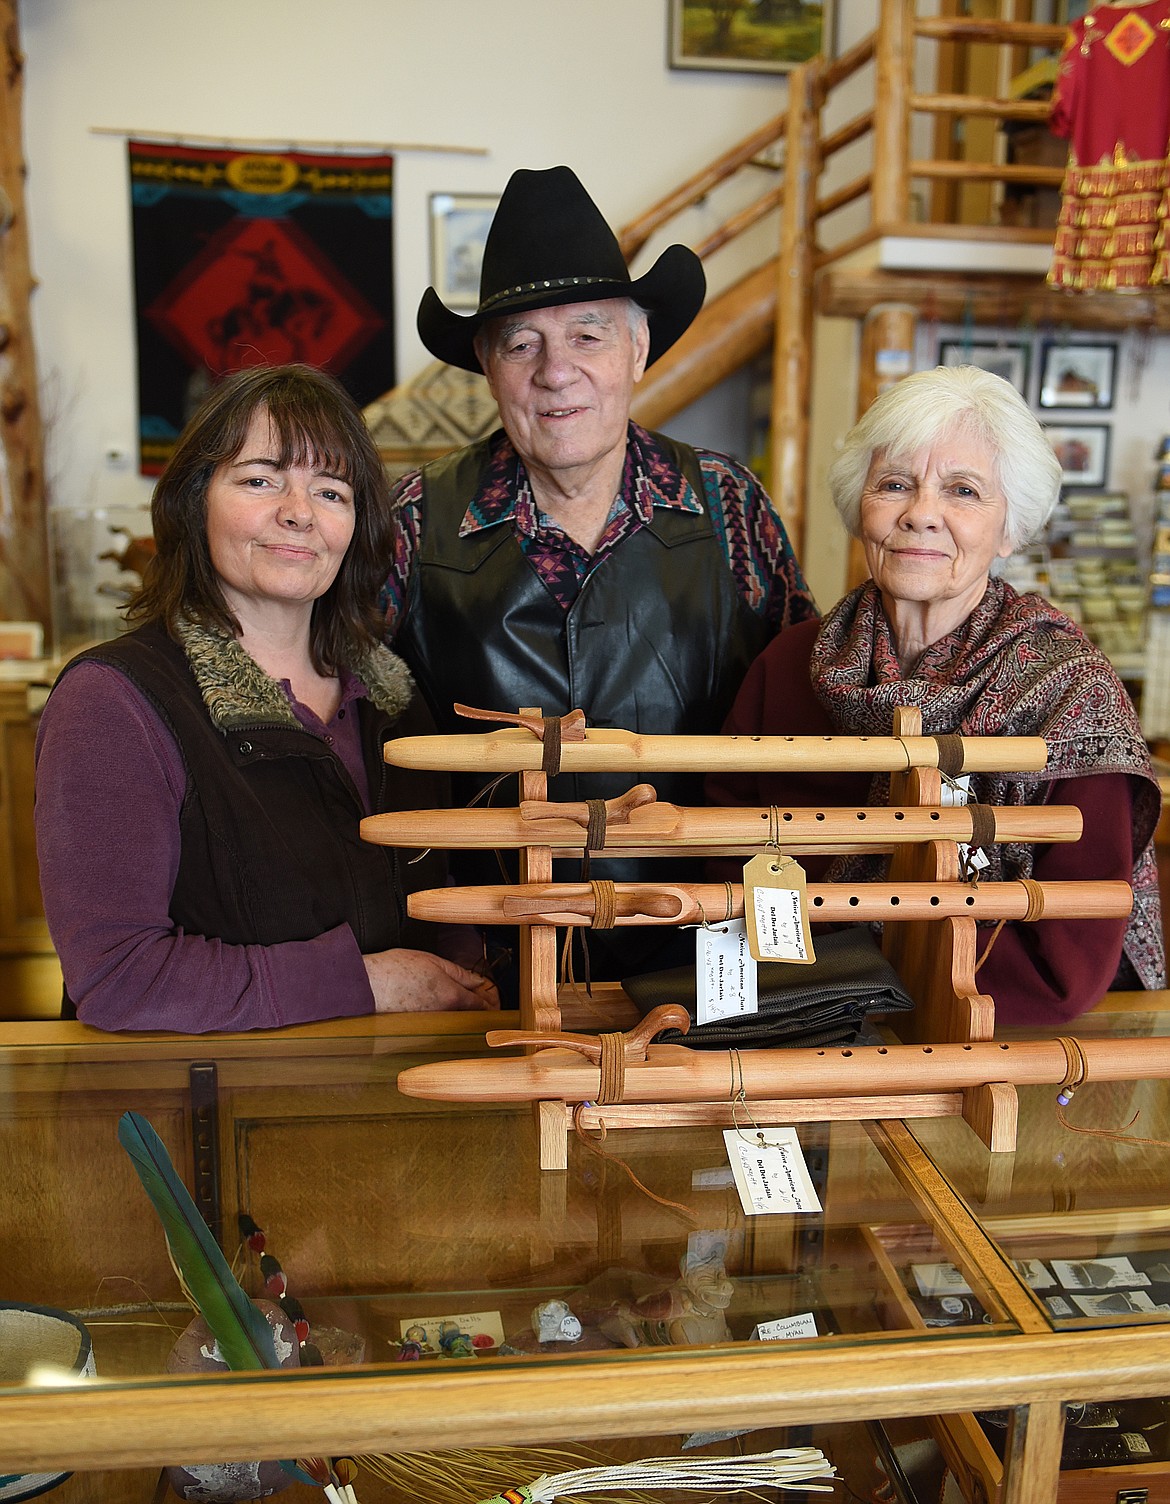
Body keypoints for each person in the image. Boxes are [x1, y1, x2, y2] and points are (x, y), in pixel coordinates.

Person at [382, 165, 817, 977]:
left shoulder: (726, 503)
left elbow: (802, 710)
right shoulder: (414, 518)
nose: (556, 371)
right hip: (488, 956)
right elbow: (356, 731)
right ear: (485, 364)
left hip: (705, 950)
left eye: (588, 335)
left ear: (638, 348)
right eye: (522, 344)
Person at [35, 364, 497, 1032]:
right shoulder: (112, 703)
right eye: (260, 479)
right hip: (214, 1111)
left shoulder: (393, 696)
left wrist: (467, 976)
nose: (299, 512)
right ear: (195, 501)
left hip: (400, 1097)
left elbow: (436, 891)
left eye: (331, 491)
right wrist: (368, 983)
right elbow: (119, 977)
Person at [708, 365, 1165, 1027]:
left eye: (964, 491)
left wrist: (851, 972)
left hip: (992, 1049)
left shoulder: (1071, 696)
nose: (922, 513)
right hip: (787, 1027)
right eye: (895, 484)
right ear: (859, 507)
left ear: (1009, 527)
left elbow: (1066, 969)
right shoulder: (789, 665)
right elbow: (721, 861)